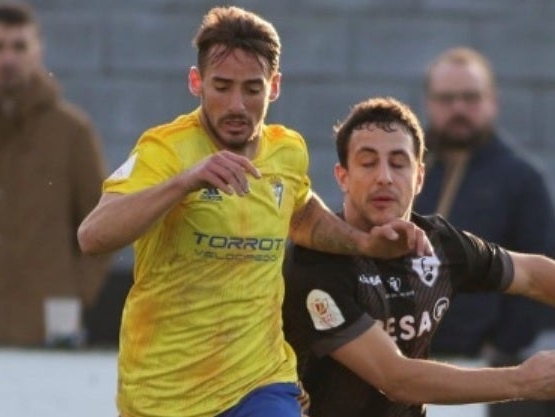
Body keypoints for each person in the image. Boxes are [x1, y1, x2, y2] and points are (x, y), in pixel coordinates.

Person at [77, 7, 431, 417]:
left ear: (274, 87)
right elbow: (93, 237)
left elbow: (298, 214)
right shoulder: (166, 150)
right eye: (222, 87)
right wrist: (184, 183)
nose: (237, 105)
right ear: (197, 82)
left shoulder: (287, 150)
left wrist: (363, 242)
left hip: (260, 382)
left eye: (252, 89)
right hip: (164, 392)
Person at [283, 97, 555, 417]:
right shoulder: (315, 260)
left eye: (398, 163)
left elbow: (532, 275)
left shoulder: (439, 244)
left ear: (420, 177)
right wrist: (523, 381)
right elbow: (396, 379)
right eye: (368, 162)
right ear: (343, 176)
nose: (384, 176)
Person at [414, 47, 555, 416]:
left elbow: (541, 271)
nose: (458, 108)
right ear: (429, 103)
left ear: (492, 101)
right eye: (447, 99)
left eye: (470, 98)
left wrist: (499, 351)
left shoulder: (521, 180)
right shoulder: (405, 170)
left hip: (477, 371)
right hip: (401, 372)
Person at [0, 2, 109, 346]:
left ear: (38, 51)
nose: (8, 58)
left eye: (19, 46)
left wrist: (73, 297)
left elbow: (104, 222)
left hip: (44, 330)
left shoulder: (71, 131)